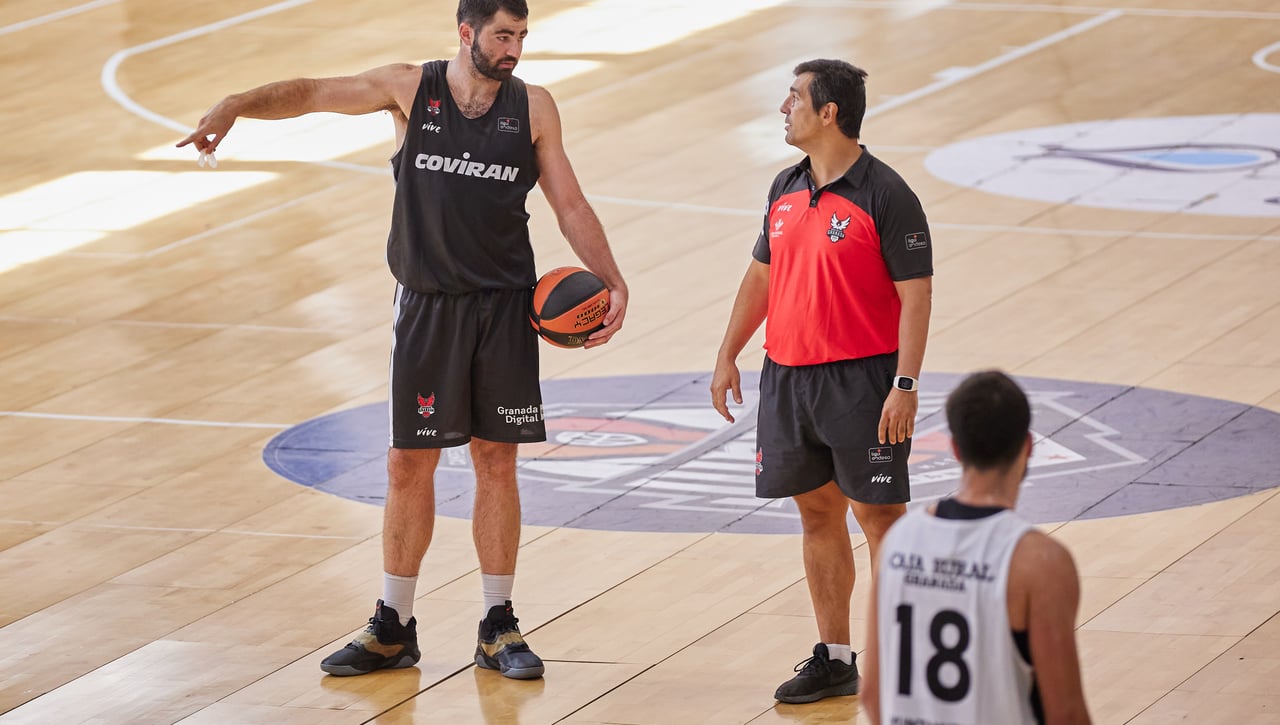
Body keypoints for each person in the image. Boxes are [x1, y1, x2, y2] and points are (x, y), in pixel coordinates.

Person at [178, 0, 628, 679]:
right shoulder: (408, 89)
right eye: (502, 36)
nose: (513, 49)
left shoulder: (533, 107)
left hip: (504, 309)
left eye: (521, 37)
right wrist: (237, 103)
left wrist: (612, 279)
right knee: (405, 465)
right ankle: (393, 625)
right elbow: (311, 95)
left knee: (496, 463)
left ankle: (497, 622)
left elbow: (569, 202)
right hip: (427, 308)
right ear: (466, 32)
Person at [710, 59, 933, 703]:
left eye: (794, 97)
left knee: (882, 516)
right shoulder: (784, 185)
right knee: (815, 512)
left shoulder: (886, 193)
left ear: (828, 111)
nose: (784, 107)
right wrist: (729, 351)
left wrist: (905, 385)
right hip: (787, 377)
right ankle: (836, 658)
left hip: (863, 381)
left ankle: (904, 657)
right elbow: (762, 276)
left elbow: (915, 297)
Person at [862, 371, 1091, 723]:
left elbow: (873, 696)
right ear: (1028, 446)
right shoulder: (1039, 562)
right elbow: (1067, 714)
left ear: (954, 448)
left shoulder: (898, 542)